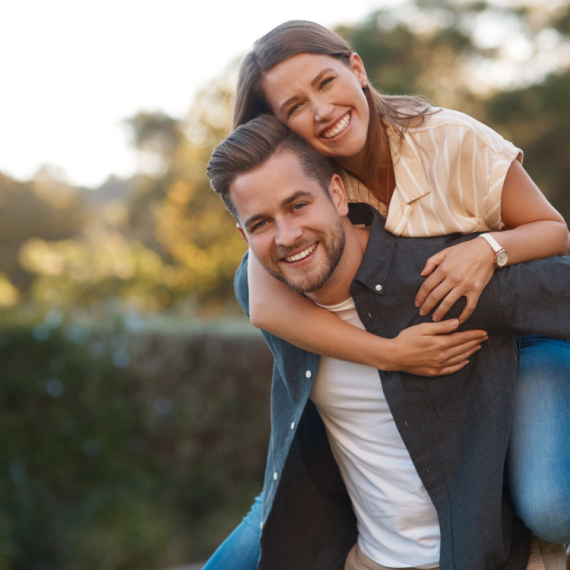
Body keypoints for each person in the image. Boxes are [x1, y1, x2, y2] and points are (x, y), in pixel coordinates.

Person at [208, 18, 570, 559]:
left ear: (357, 68)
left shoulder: (449, 137)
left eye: (326, 83)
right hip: (419, 345)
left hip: (519, 326)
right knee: (268, 520)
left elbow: (554, 232)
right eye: (294, 108)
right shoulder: (313, 180)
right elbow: (259, 299)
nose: (321, 111)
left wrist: (486, 250)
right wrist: (391, 354)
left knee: (548, 504)